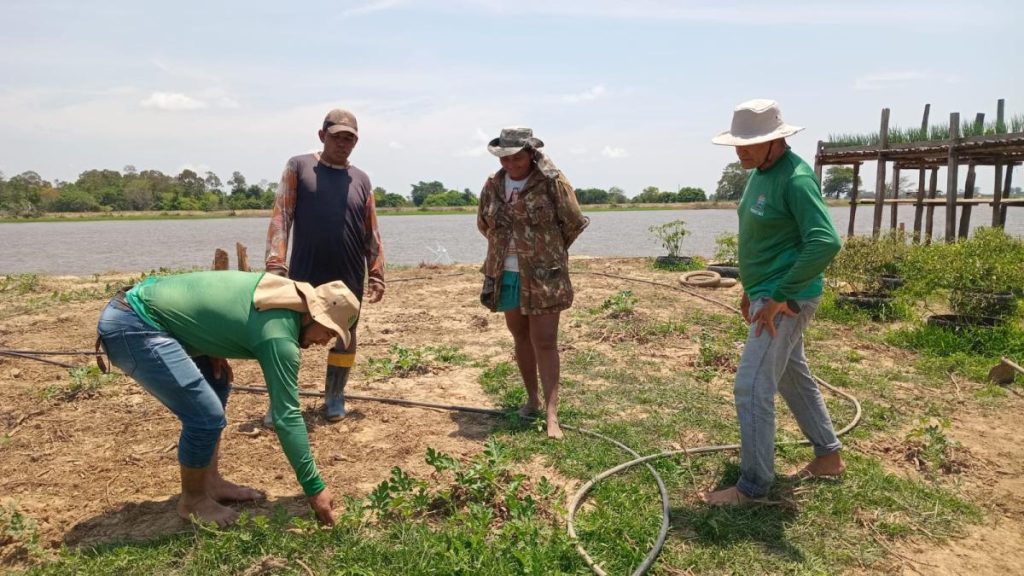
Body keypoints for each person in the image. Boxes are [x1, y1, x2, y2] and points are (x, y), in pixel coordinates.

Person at [96, 270, 359, 526]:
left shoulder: (284, 294)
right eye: (328, 332)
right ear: (312, 314)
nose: (325, 342)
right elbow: (286, 415)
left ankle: (210, 482)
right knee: (205, 417)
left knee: (217, 381)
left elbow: (219, 303)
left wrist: (211, 342)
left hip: (143, 311)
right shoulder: (279, 336)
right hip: (134, 324)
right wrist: (314, 487)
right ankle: (193, 500)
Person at [703, 99, 845, 506]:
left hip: (787, 299)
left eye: (751, 142)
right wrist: (750, 288)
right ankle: (828, 456)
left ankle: (753, 486)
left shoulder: (795, 179)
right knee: (790, 375)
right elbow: (763, 238)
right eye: (738, 142)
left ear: (776, 140)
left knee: (751, 386)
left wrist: (779, 296)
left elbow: (825, 241)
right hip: (766, 293)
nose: (741, 150)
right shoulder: (759, 174)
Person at [265, 108, 385, 424]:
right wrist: (276, 263)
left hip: (348, 273)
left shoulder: (361, 179)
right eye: (337, 137)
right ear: (322, 135)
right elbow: (282, 216)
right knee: (288, 334)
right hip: (305, 271)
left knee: (346, 334)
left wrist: (376, 273)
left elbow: (371, 230)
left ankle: (334, 395)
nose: (343, 144)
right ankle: (281, 402)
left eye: (349, 139)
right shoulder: (299, 166)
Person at [477, 127, 589, 439]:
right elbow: (483, 224)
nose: (511, 164)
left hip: (544, 274)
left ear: (530, 154)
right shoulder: (493, 184)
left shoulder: (552, 181)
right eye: (505, 158)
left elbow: (573, 222)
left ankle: (552, 414)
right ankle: (532, 400)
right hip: (506, 273)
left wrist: (546, 249)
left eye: (517, 157)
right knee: (520, 337)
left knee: (545, 340)